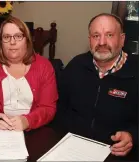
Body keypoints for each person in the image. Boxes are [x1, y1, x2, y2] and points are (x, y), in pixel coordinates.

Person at [55, 13, 138, 158]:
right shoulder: (76, 65)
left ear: (122, 39)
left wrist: (133, 137)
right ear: (89, 40)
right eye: (96, 36)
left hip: (115, 154)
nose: (102, 42)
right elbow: (59, 107)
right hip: (72, 150)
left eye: (110, 35)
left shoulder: (135, 71)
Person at [0, 16, 58, 131]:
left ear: (27, 40)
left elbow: (48, 108)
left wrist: (27, 121)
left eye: (18, 36)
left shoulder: (44, 67)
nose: (12, 42)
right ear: (0, 42)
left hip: (36, 130)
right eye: (6, 37)